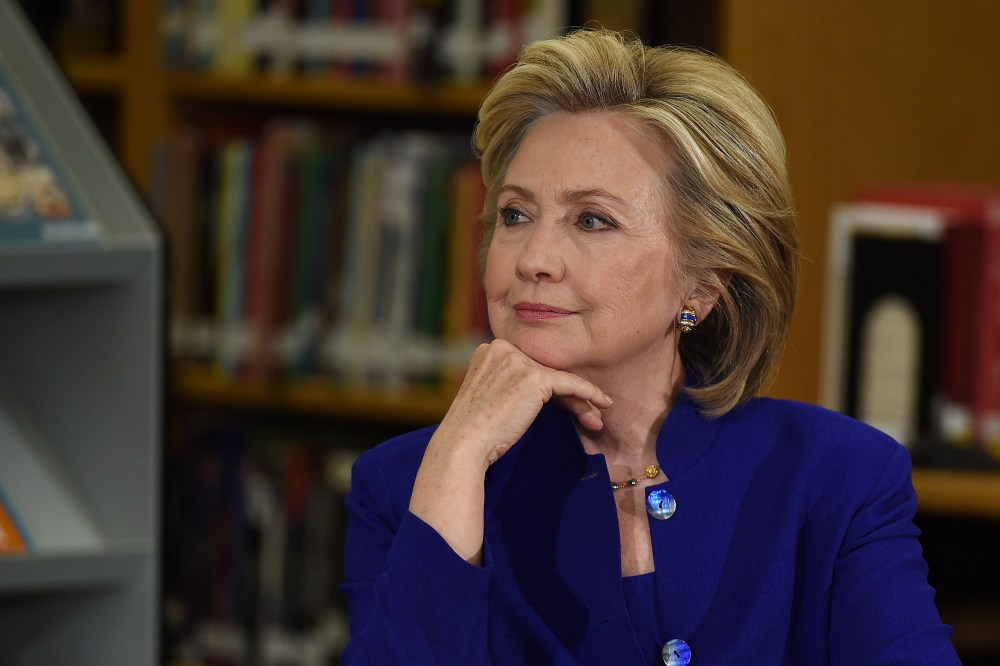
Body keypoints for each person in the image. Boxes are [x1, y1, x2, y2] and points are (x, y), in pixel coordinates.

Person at [340, 29, 960, 665]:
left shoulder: (838, 477)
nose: (533, 259)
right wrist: (460, 454)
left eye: (592, 221)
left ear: (704, 280)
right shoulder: (409, 485)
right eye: (515, 215)